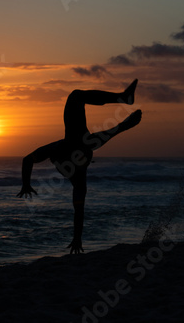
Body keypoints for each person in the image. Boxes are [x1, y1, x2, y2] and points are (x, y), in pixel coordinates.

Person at [17, 79, 142, 254]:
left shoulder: (61, 153)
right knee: (78, 99)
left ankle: (123, 101)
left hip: (78, 145)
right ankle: (123, 99)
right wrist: (77, 238)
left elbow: (27, 160)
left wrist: (26, 184)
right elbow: (78, 211)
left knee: (81, 104)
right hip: (80, 145)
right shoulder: (76, 173)